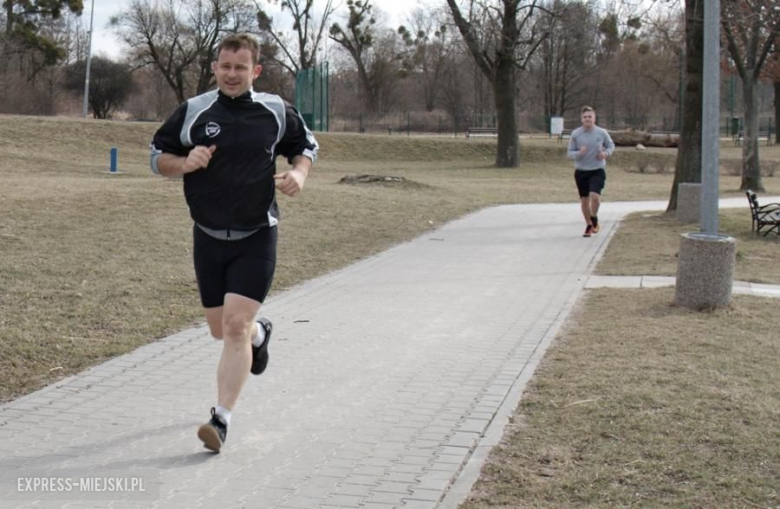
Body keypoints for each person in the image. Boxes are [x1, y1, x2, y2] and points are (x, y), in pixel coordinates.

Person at [149, 33, 318, 453]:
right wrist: (184, 163)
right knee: (218, 329)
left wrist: (299, 173)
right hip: (207, 235)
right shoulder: (194, 111)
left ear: (255, 71)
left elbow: (306, 146)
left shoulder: (275, 110)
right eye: (225, 66)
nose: (232, 74)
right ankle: (261, 335)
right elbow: (157, 156)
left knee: (233, 326)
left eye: (241, 67)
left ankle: (221, 419)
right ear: (215, 68)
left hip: (256, 234)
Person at [567, 106, 615, 237]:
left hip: (597, 170)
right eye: (585, 117)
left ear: (594, 118)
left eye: (590, 116)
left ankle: (594, 217)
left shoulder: (602, 132)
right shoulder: (576, 134)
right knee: (584, 201)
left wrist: (605, 153)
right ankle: (589, 225)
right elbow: (569, 153)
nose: (587, 119)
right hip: (581, 171)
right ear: (581, 119)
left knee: (595, 197)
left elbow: (611, 145)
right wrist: (579, 153)